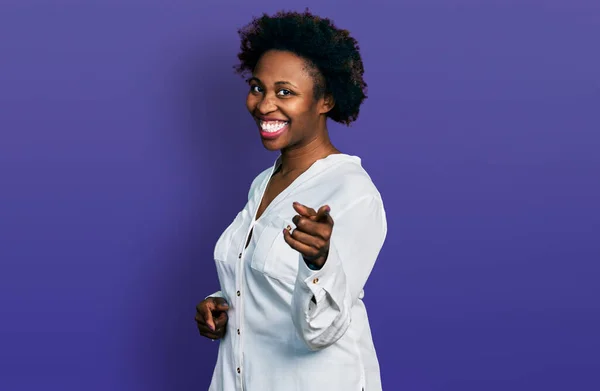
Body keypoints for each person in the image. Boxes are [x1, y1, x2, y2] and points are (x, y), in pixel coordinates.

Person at [195, 9, 387, 391]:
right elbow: (268, 278)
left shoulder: (351, 192)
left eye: (285, 92)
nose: (265, 105)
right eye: (257, 88)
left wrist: (319, 261)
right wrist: (221, 302)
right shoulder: (266, 182)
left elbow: (323, 330)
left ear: (326, 100)